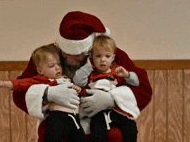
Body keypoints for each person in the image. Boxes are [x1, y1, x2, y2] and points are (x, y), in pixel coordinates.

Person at [12, 11, 152, 142]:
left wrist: (112, 99)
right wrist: (47, 94)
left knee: (116, 135)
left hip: (104, 118)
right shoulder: (46, 56)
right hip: (61, 117)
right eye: (66, 54)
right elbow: (19, 92)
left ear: (89, 50)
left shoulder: (109, 54)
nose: (71, 59)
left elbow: (144, 89)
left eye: (77, 54)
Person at [0, 45, 87, 142]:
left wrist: (78, 89)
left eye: (59, 64)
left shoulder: (65, 78)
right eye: (52, 66)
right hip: (57, 118)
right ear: (40, 70)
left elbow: (80, 92)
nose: (57, 68)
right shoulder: (41, 80)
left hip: (74, 118)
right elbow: (21, 84)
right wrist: (4, 84)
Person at [73, 35, 139, 142]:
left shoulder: (117, 71)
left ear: (113, 58)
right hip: (97, 112)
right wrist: (87, 66)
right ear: (91, 57)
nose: (102, 60)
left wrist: (127, 74)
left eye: (107, 56)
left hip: (115, 109)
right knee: (98, 133)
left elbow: (135, 82)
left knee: (131, 127)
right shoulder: (90, 73)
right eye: (98, 56)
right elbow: (78, 81)